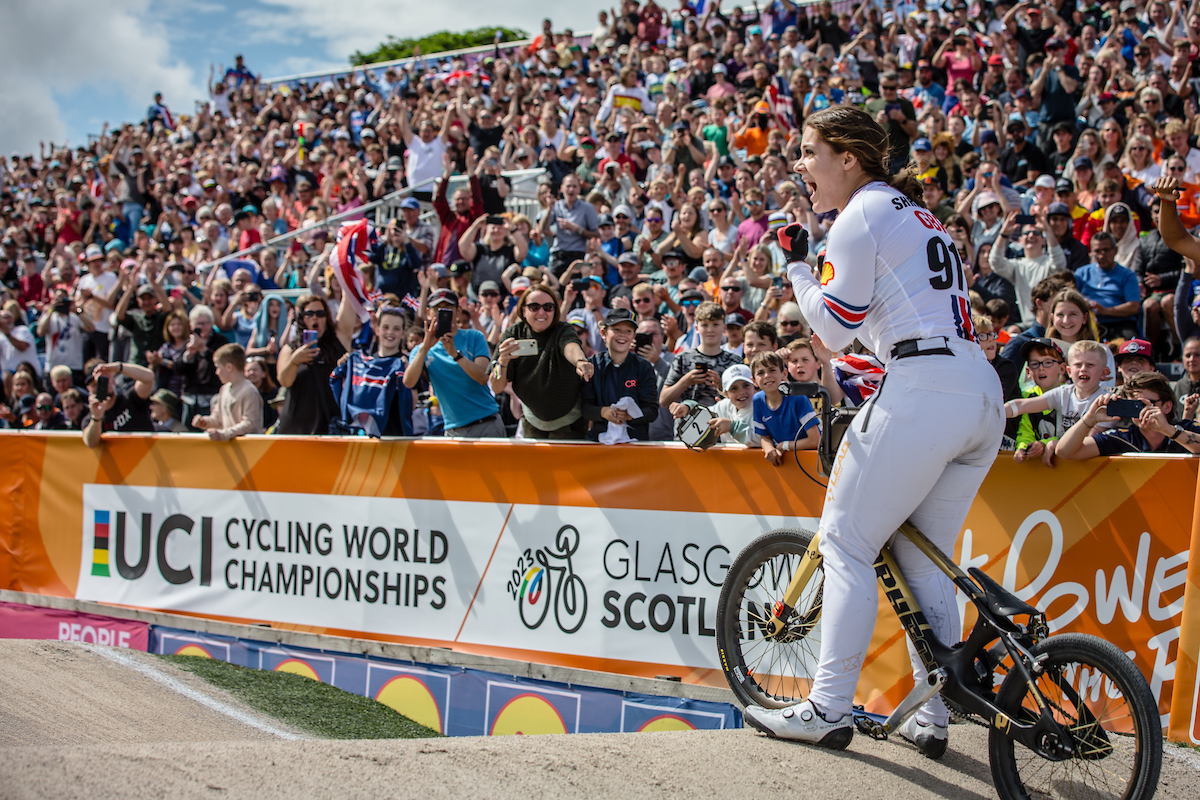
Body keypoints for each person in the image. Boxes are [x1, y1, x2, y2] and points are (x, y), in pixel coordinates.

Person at [744, 106, 1004, 758]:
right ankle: (932, 714)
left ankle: (827, 708)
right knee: (921, 562)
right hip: (976, 387)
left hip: (925, 389)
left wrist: (797, 270)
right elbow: (877, 314)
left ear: (848, 159)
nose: (799, 165)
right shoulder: (910, 212)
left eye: (808, 153)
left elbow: (831, 330)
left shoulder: (858, 213)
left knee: (846, 540)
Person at [491, 284, 594, 439]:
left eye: (548, 307)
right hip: (532, 420)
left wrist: (580, 361)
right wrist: (503, 360)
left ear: (555, 310)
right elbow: (496, 386)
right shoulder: (513, 332)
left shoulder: (563, 329)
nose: (541, 312)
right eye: (534, 307)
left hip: (569, 422)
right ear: (523, 310)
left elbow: (571, 346)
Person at [404, 288, 502, 437]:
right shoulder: (421, 349)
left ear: (458, 311)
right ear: (428, 312)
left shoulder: (474, 336)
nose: (442, 312)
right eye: (437, 308)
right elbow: (409, 382)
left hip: (486, 423)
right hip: (454, 429)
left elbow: (482, 377)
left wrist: (455, 354)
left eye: (448, 308)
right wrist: (425, 348)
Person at [1057, 372, 1200, 457]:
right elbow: (1064, 452)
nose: (1141, 411)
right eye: (1135, 405)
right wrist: (1089, 419)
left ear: (1167, 406)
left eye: (1145, 404)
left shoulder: (1186, 429)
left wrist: (1168, 430)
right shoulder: (1123, 437)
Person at [330, 306, 414, 436]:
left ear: (403, 333)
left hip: (395, 437)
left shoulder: (407, 365)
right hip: (365, 437)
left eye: (396, 329)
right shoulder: (361, 363)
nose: (390, 332)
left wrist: (408, 377)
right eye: (385, 327)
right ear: (377, 330)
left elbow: (412, 404)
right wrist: (346, 369)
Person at [276, 293, 352, 435]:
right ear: (301, 318)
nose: (315, 318)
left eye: (320, 313)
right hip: (297, 427)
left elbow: (348, 302)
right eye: (309, 314)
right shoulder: (290, 349)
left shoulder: (338, 341)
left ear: (327, 317)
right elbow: (284, 381)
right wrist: (295, 361)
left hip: (332, 427)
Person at [580, 308, 660, 442]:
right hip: (600, 443)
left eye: (628, 331)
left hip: (636, 443)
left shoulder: (643, 367)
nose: (622, 335)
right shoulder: (592, 365)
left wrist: (631, 415)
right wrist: (603, 412)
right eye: (616, 329)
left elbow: (652, 411)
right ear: (603, 333)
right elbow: (585, 407)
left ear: (634, 336)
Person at [749, 350, 819, 465]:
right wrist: (769, 449)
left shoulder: (798, 398)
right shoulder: (757, 400)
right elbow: (764, 437)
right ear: (754, 381)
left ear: (784, 374)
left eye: (772, 370)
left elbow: (815, 440)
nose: (767, 376)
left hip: (812, 461)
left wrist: (785, 445)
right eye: (760, 373)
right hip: (785, 462)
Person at [1074, 231, 1142, 341]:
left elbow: (1134, 306)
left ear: (1115, 250)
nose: (1101, 255)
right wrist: (1083, 303)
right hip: (1088, 323)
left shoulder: (1127, 274)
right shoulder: (1081, 273)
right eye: (1097, 251)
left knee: (1131, 347)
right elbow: (1071, 298)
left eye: (1106, 250)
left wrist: (1106, 310)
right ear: (1091, 252)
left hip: (1120, 323)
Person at [190, 343, 263, 440]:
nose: (217, 372)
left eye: (218, 367)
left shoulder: (249, 391)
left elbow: (250, 424)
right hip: (231, 449)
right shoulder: (224, 389)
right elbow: (218, 419)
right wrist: (204, 422)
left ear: (229, 367)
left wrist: (223, 434)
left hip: (249, 450)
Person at [81, 360, 156, 448]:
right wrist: (97, 418)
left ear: (113, 381)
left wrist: (118, 367)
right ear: (88, 389)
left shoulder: (131, 399)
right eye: (94, 384)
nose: (100, 387)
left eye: (103, 381)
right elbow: (91, 443)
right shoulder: (91, 419)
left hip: (146, 456)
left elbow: (149, 377)